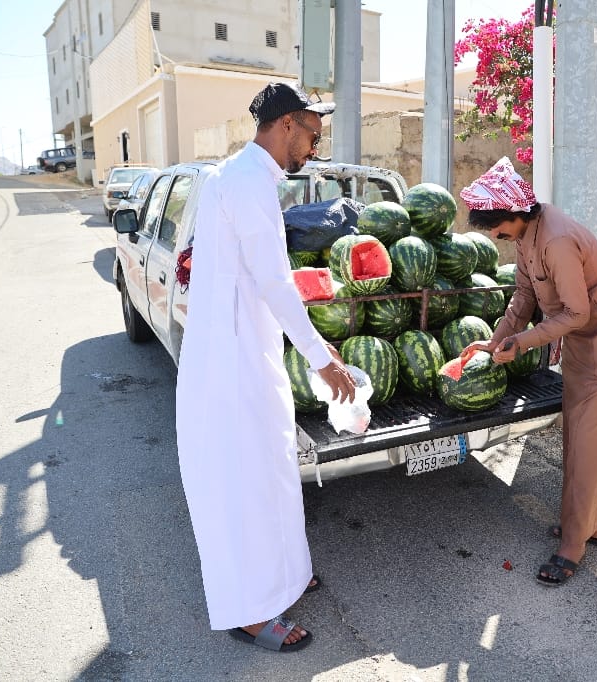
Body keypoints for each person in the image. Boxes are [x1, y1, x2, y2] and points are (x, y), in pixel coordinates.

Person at [175, 82, 357, 652]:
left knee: (274, 469)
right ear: (285, 126)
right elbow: (274, 282)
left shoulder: (240, 176)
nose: (313, 147)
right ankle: (249, 611)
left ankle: (285, 577)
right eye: (311, 134)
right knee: (244, 484)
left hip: (246, 352)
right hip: (230, 365)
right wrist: (322, 357)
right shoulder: (247, 182)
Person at [459, 157, 597, 586]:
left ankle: (573, 544)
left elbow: (576, 311)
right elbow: (524, 294)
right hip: (581, 339)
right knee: (581, 432)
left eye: (495, 226)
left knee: (590, 439)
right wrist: (497, 337)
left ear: (516, 215)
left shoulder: (555, 239)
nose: (494, 235)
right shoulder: (525, 236)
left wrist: (521, 343)